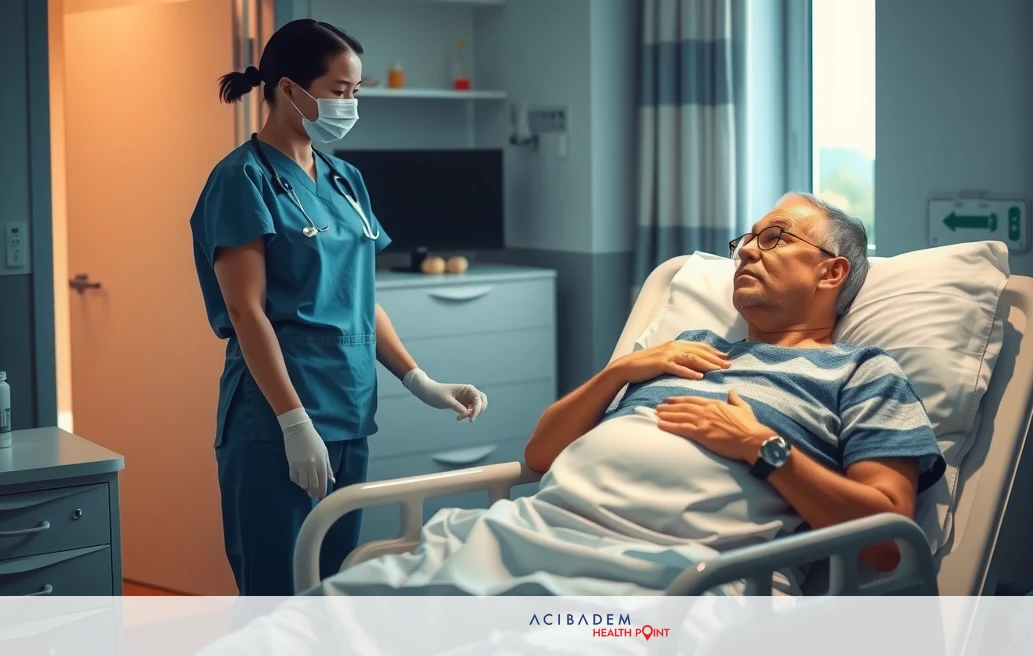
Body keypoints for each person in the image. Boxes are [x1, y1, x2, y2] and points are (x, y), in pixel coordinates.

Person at [276, 191, 947, 597]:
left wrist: (763, 447)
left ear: (832, 271)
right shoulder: (685, 346)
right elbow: (538, 456)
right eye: (746, 241)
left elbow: (888, 540)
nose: (747, 252)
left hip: (667, 576)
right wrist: (623, 372)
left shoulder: (860, 375)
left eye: (775, 238)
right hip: (525, 535)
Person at [189, 19, 489, 596]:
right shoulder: (240, 180)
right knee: (276, 591)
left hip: (350, 410)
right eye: (337, 91)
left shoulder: (346, 180)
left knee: (331, 586)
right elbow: (248, 313)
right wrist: (293, 422)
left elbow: (361, 298)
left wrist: (419, 380)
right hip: (277, 416)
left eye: (355, 93)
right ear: (287, 89)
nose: (349, 105)